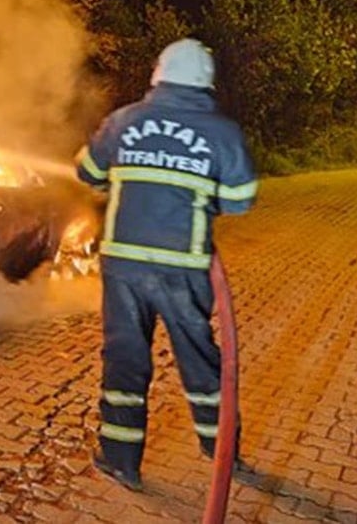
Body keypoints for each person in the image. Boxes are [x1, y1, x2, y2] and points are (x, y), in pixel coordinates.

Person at [75, 38, 258, 492]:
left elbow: (87, 173)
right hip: (182, 268)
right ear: (206, 83)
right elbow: (240, 200)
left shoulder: (123, 120)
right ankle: (221, 454)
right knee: (199, 358)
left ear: (158, 75)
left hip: (124, 268)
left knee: (125, 359)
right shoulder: (222, 132)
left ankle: (120, 460)